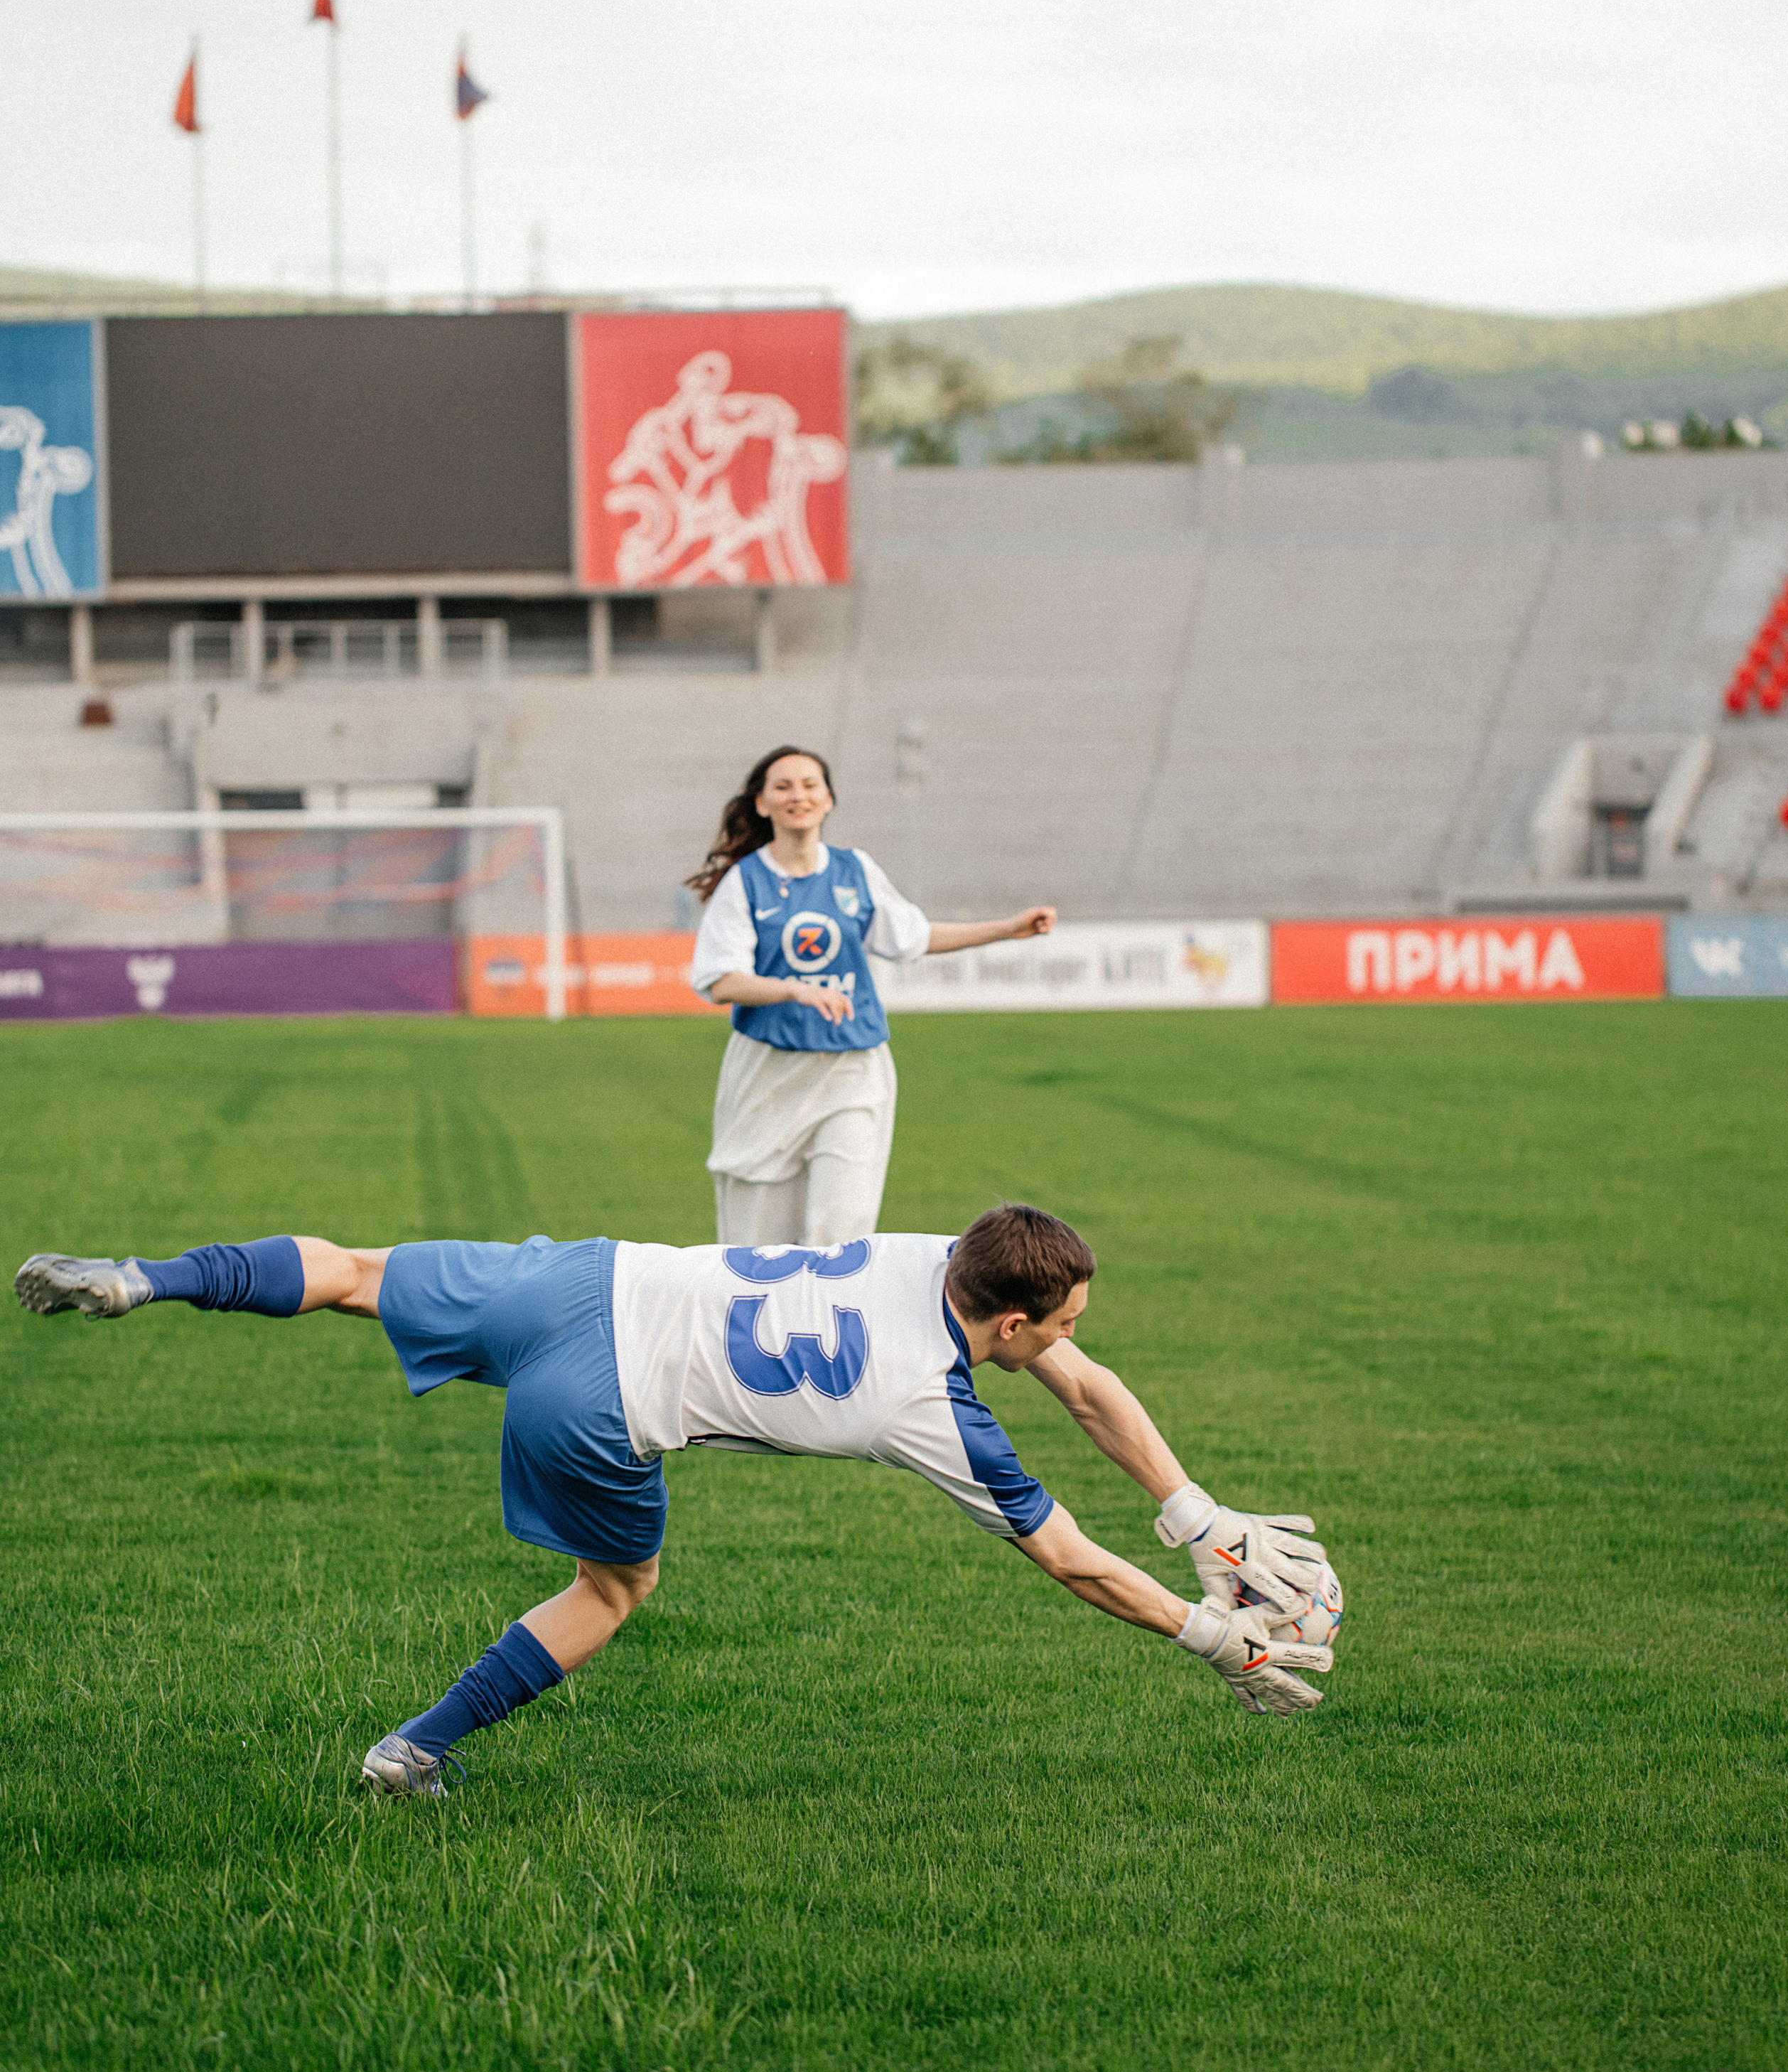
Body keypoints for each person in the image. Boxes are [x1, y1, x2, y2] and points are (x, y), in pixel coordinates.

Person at [14, 1208, 1340, 1798]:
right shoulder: (925, 1406)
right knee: (613, 1590)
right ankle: (409, 1752)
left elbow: (1085, 1381)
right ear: (1006, 1314)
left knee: (357, 1269)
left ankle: (146, 1276)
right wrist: (1218, 1634)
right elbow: (1072, 1565)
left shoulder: (941, 1248)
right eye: (1054, 1322)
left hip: (587, 1278)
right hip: (601, 1401)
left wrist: (1199, 1515)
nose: (1067, 1337)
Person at [686, 746, 1057, 1245]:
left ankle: (830, 1322)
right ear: (761, 804)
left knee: (839, 1233)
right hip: (769, 1072)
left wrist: (1007, 928)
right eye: (784, 786)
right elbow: (720, 980)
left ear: (829, 799)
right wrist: (792, 988)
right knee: (760, 1248)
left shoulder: (855, 870)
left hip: (853, 1070)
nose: (799, 795)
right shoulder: (744, 882)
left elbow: (915, 936)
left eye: (810, 784)